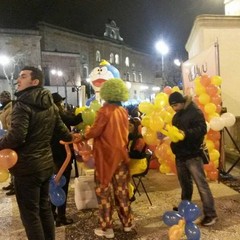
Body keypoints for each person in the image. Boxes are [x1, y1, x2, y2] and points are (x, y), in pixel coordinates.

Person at [0, 66, 74, 240]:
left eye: (23, 76)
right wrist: (76, 136)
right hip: (45, 165)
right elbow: (63, 132)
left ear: (35, 82)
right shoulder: (50, 104)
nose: (18, 80)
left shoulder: (22, 104)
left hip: (26, 168)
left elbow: (16, 137)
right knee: (44, 209)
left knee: (30, 215)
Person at [81, 79, 134, 239]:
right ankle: (128, 224)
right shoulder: (123, 110)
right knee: (122, 191)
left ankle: (106, 228)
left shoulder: (104, 110)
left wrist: (84, 134)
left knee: (104, 192)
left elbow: (95, 131)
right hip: (122, 156)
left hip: (106, 157)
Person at [168, 91, 218, 226]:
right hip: (180, 154)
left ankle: (210, 214)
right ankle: (185, 209)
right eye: (172, 106)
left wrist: (185, 134)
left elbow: (202, 129)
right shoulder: (177, 115)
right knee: (185, 185)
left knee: (202, 185)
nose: (174, 108)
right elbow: (175, 133)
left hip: (193, 154)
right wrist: (171, 139)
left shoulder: (195, 111)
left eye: (176, 105)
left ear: (182, 102)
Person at [51, 92, 82, 227]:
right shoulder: (58, 114)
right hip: (62, 155)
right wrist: (85, 113)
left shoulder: (47, 115)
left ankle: (52, 214)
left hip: (51, 155)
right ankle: (61, 217)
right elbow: (72, 121)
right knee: (61, 185)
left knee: (53, 185)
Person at [128, 117, 147, 201]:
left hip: (139, 164)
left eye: (130, 125)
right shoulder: (130, 137)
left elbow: (136, 154)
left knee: (123, 176)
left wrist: (124, 154)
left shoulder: (140, 139)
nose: (128, 127)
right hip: (131, 162)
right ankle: (130, 189)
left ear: (136, 127)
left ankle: (130, 195)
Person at [0, 90, 15, 196]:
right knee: (10, 164)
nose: (1, 99)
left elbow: (10, 125)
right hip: (5, 137)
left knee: (13, 163)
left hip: (9, 138)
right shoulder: (5, 108)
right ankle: (12, 183)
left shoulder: (10, 108)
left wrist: (7, 137)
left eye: (2, 98)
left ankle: (15, 185)